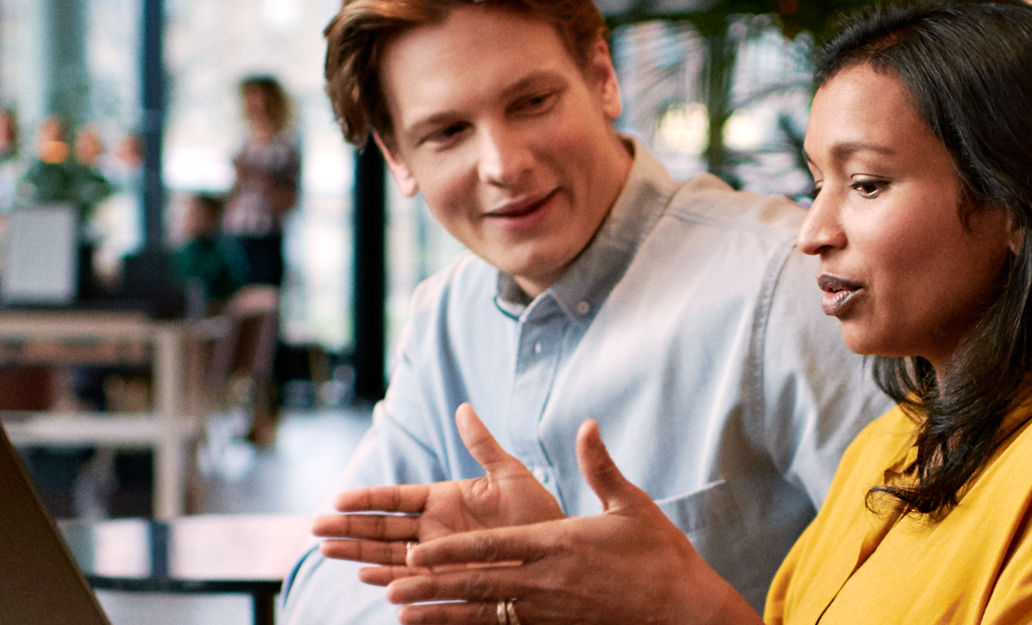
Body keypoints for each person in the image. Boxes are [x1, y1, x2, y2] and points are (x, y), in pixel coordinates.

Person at [316, 3, 1032, 623]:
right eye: (819, 180)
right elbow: (320, 582)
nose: (811, 233)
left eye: (864, 183)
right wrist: (516, 582)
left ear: (1022, 202)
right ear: (396, 159)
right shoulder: (908, 434)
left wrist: (676, 604)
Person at [278, 0, 890, 620]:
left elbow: (939, 591)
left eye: (531, 103)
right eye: (447, 133)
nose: (503, 164)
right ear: (398, 158)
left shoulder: (792, 289)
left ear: (602, 76)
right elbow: (323, 586)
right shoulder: (445, 317)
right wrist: (490, 594)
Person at [224, 75, 300, 288]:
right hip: (236, 230)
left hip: (266, 235)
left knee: (263, 296)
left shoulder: (285, 145)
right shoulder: (244, 141)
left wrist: (256, 175)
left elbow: (289, 198)